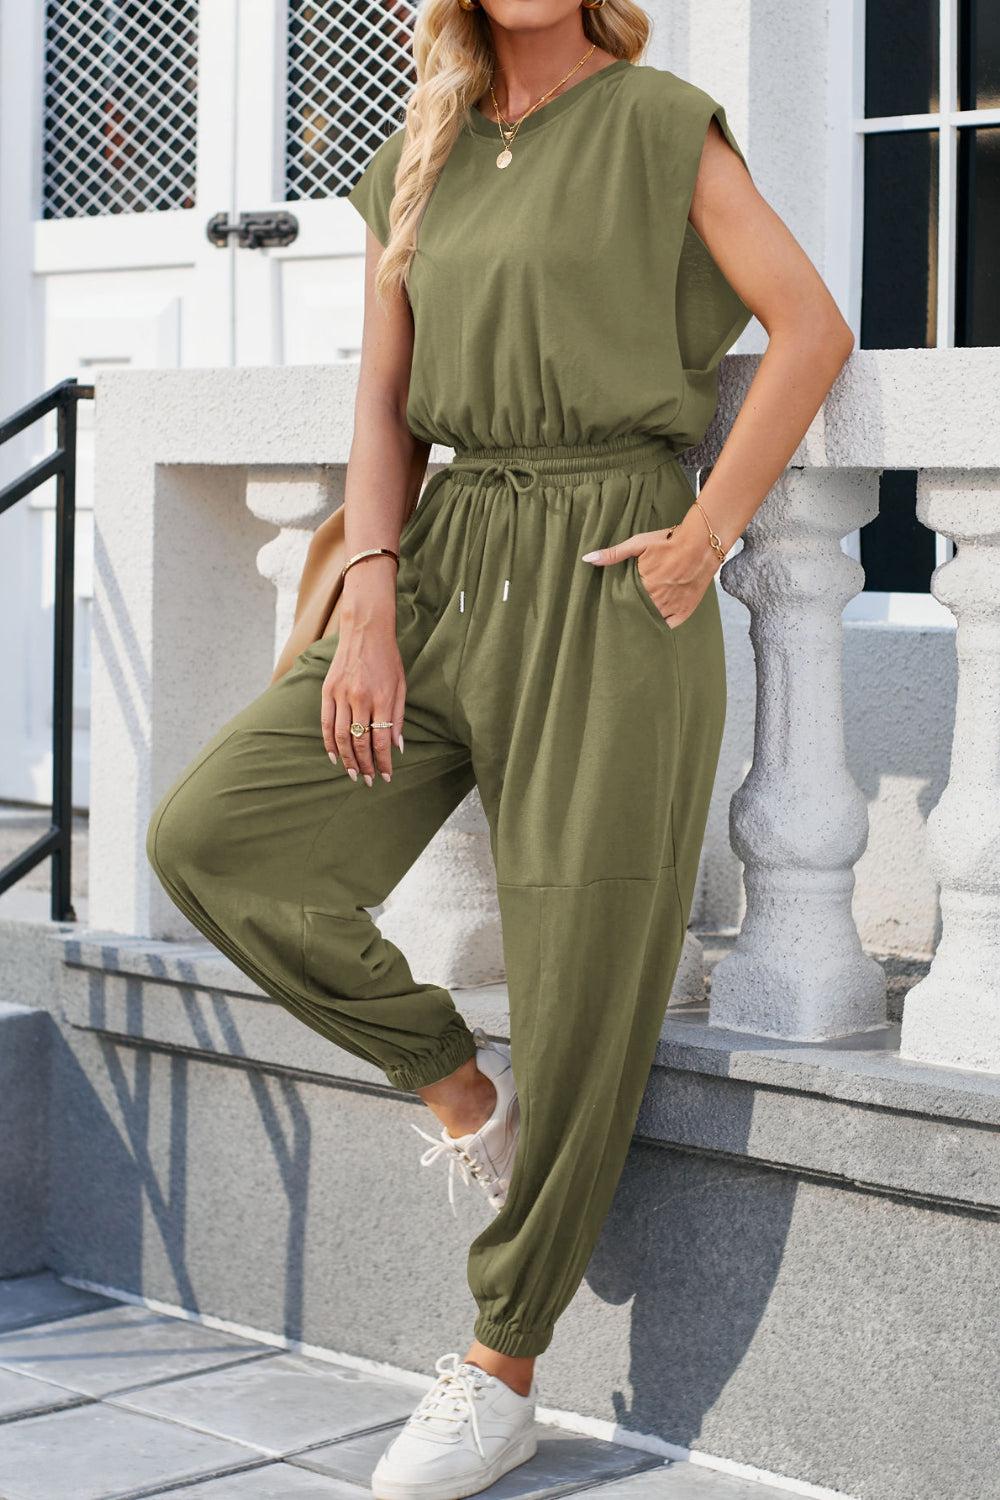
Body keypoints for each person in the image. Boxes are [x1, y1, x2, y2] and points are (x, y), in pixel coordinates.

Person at [145, 1, 854, 1496]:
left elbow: (811, 327)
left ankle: (500, 1364)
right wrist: (374, 592)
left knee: (586, 976)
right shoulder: (426, 149)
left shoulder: (662, 124)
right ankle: (468, 1099)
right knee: (216, 842)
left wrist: (704, 537)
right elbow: (384, 403)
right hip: (449, 563)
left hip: (613, 577)